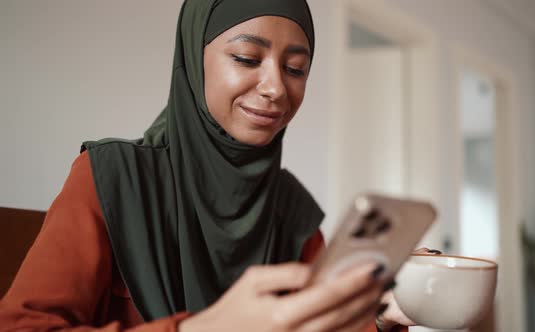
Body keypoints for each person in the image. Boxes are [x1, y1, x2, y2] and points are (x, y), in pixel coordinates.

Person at [0, 1, 435, 331]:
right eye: (247, 58)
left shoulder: (291, 211)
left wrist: (377, 313)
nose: (276, 88)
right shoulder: (110, 177)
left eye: (296, 69)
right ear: (194, 59)